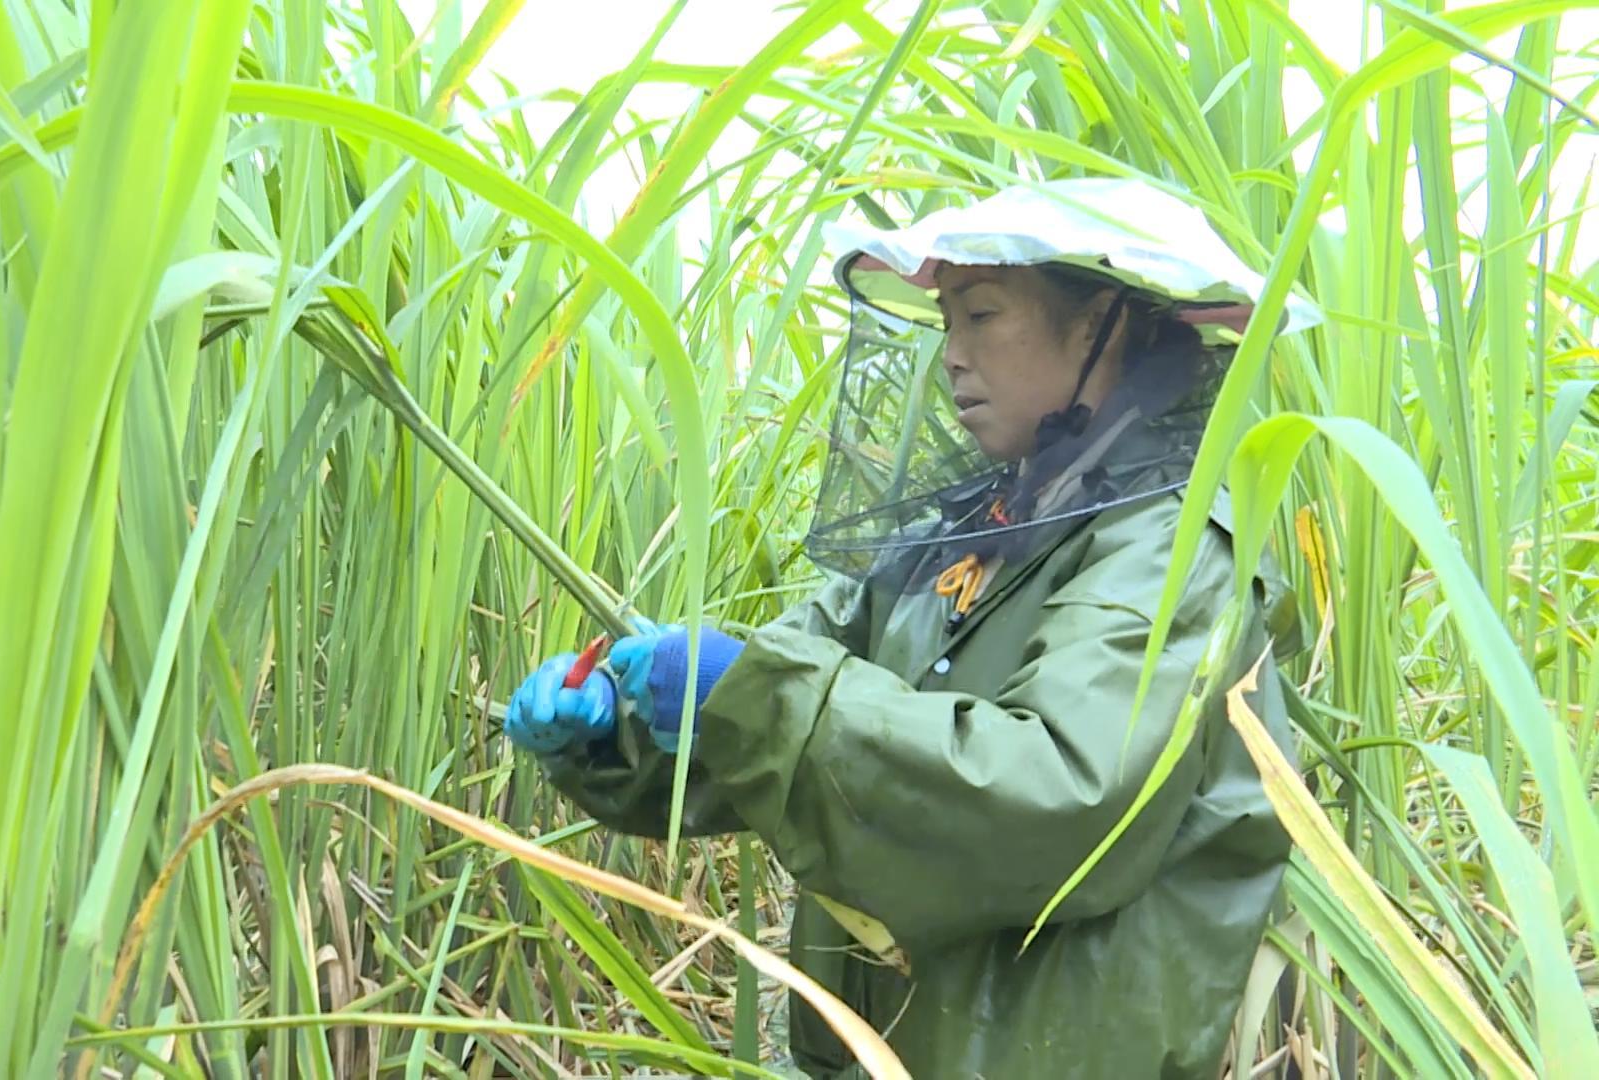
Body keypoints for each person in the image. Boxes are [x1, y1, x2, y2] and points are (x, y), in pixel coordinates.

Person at [503, 178, 1319, 1078]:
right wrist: (613, 726)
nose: (953, 357)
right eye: (945, 327)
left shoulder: (1170, 548)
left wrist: (748, 692)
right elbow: (784, 733)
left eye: (980, 314)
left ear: (1099, 325)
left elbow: (1062, 796)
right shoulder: (969, 536)